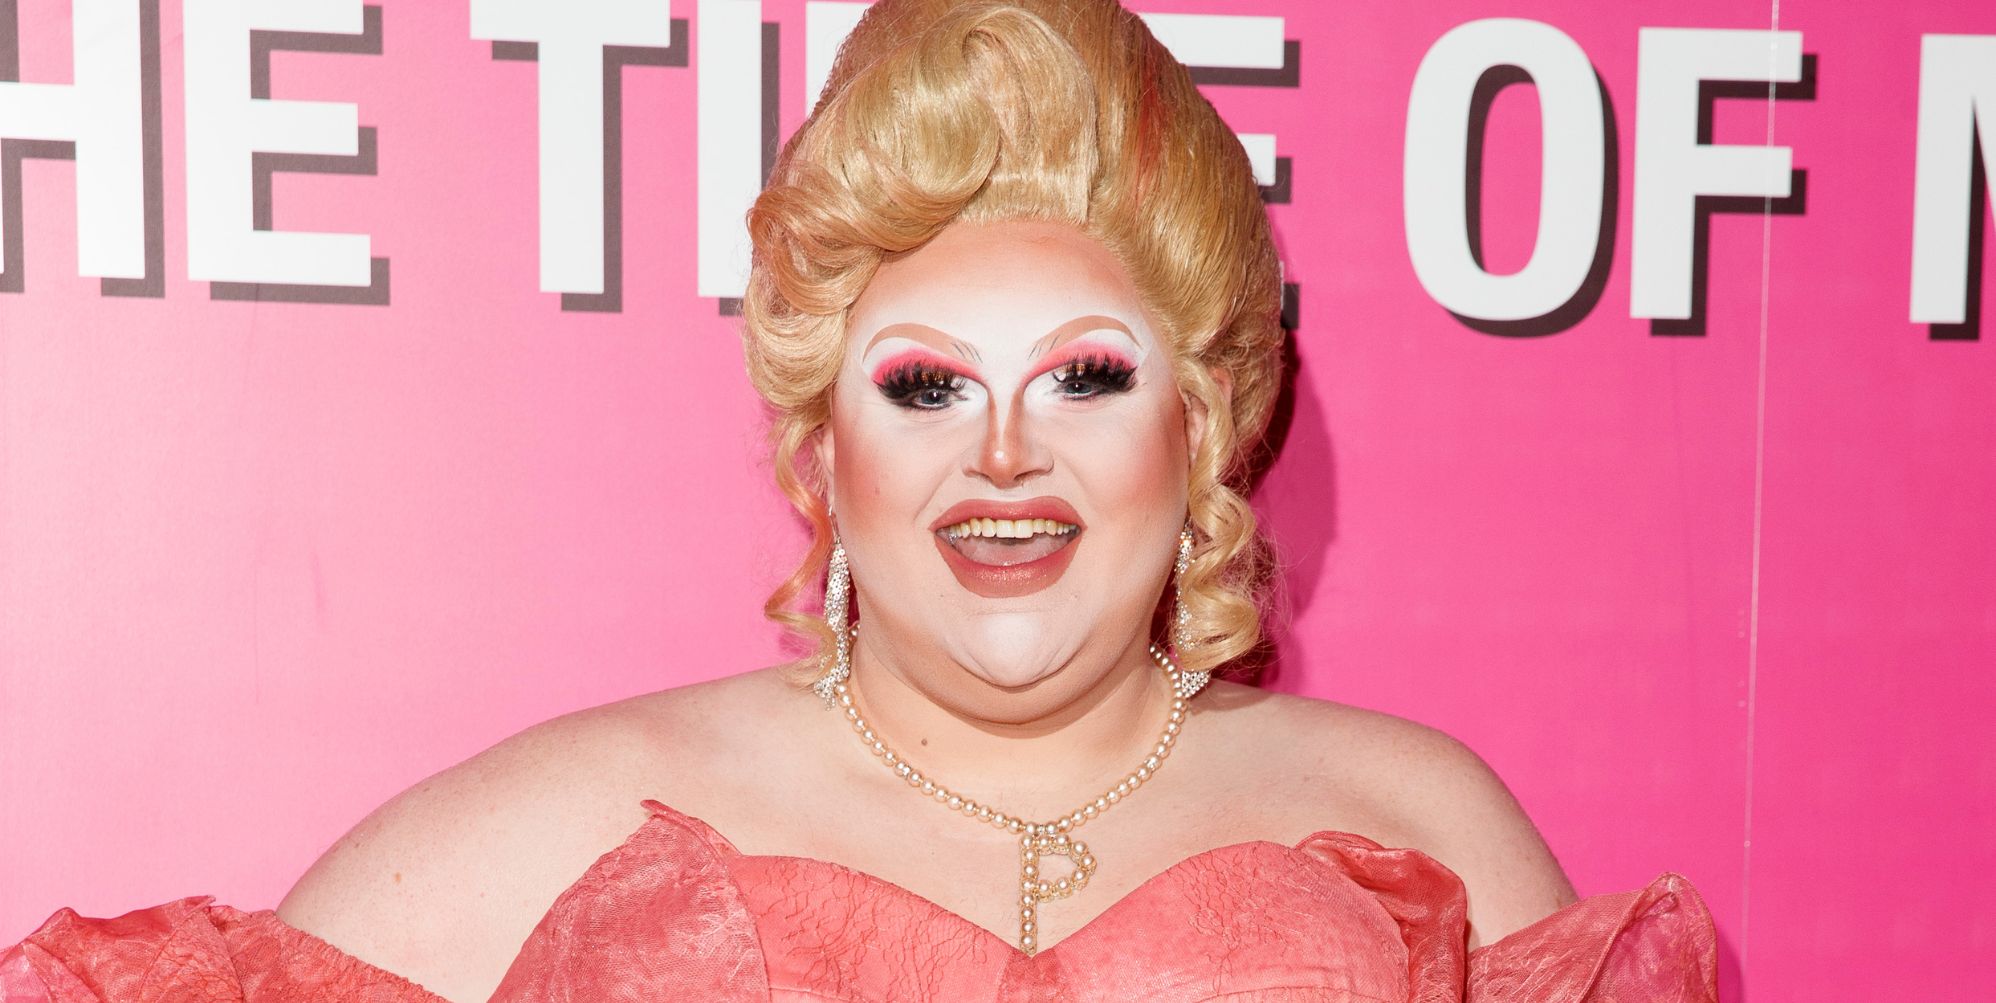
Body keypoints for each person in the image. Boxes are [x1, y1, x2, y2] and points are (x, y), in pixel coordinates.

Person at [1, 1, 1717, 1000]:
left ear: (1201, 430)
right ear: (826, 450)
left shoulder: (1415, 822)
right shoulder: (583, 820)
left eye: (1084, 378)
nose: (1004, 456)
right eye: (926, 387)